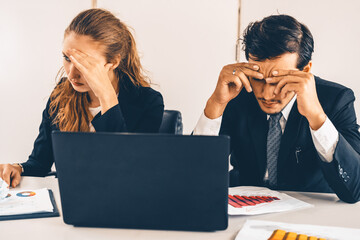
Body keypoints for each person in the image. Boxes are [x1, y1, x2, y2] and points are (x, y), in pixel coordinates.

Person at [194, 14, 360, 203]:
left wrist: (317, 118)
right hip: (242, 205)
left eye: (279, 80)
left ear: (305, 71)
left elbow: (354, 190)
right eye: (257, 79)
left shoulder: (337, 99)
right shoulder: (236, 92)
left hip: (311, 207)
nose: (266, 94)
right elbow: (193, 172)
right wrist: (215, 103)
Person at [0, 9, 164, 187]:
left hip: (121, 203)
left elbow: (129, 170)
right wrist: (19, 168)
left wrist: (106, 96)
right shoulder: (61, 94)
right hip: (69, 200)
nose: (72, 74)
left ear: (114, 62)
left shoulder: (148, 101)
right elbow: (40, 162)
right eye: (67, 58)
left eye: (83, 62)